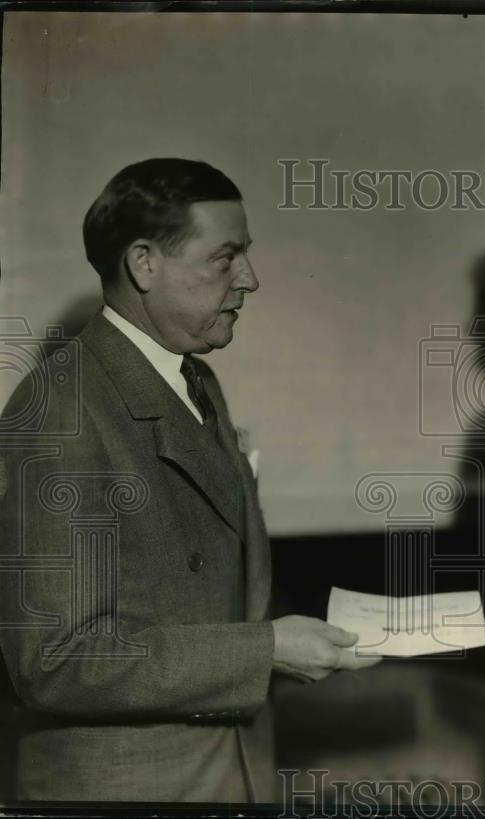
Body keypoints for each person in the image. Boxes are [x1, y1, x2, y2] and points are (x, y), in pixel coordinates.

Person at [0, 158, 379, 803]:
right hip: (129, 791)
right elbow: (55, 661)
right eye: (224, 258)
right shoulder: (59, 413)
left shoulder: (193, 378)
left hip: (227, 769)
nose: (250, 279)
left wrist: (288, 638)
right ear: (144, 264)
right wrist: (263, 651)